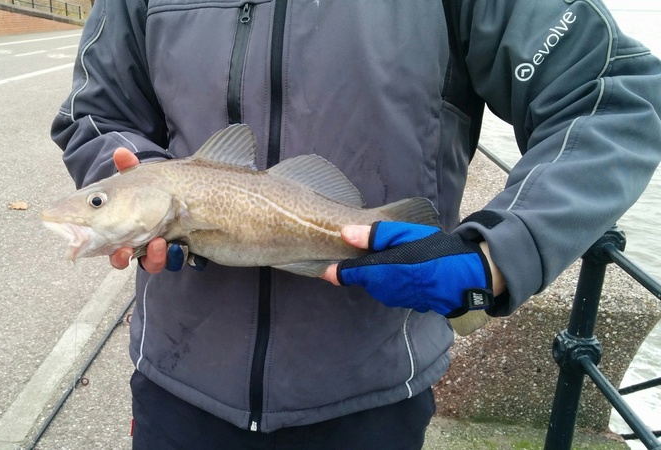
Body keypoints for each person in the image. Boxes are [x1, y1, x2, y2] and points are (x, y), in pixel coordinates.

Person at [51, 0, 661, 448]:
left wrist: (499, 254)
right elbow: (95, 112)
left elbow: (612, 93)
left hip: (372, 397)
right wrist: (128, 178)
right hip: (178, 388)